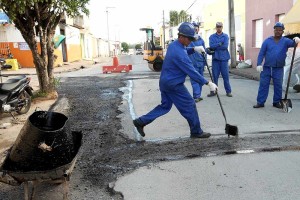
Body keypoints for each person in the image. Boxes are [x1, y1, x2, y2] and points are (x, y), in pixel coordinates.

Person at [133, 22, 218, 139]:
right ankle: (196, 131)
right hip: (174, 85)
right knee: (190, 104)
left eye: (192, 39)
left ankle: (141, 121)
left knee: (165, 106)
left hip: (165, 83)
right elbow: (192, 72)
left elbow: (184, 49)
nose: (191, 41)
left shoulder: (174, 45)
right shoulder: (180, 55)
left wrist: (193, 49)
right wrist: (208, 83)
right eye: (189, 39)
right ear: (181, 36)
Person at [253, 22, 300, 108]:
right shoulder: (267, 41)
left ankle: (276, 102)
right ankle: (260, 102)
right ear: (274, 30)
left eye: (280, 30)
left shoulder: (285, 41)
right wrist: (259, 64)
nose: (278, 31)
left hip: (278, 68)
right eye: (276, 29)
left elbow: (294, 44)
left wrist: (297, 39)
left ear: (282, 31)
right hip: (267, 68)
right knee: (263, 85)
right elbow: (261, 53)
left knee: (278, 86)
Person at [208, 22, 233, 97]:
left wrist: (216, 46)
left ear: (222, 27)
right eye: (217, 27)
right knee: (215, 77)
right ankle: (214, 91)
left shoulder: (225, 36)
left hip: (224, 59)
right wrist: (219, 44)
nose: (219, 28)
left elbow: (225, 46)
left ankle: (228, 91)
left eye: (220, 27)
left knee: (226, 76)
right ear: (216, 27)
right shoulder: (211, 36)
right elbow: (211, 46)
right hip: (215, 59)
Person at [187, 22, 207, 102]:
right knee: (194, 80)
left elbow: (204, 51)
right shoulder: (189, 39)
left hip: (201, 62)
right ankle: (196, 96)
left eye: (197, 27)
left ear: (198, 29)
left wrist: (205, 63)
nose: (195, 29)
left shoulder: (201, 40)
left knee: (200, 79)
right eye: (194, 27)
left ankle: (198, 95)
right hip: (192, 63)